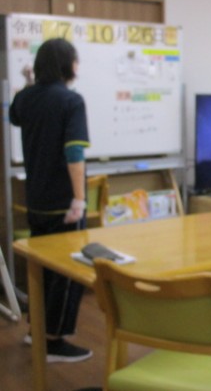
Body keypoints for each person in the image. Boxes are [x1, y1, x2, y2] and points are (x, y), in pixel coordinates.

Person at [10, 38, 92, 363]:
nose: (78, 66)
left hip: (37, 201)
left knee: (42, 270)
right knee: (66, 272)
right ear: (67, 65)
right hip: (64, 203)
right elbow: (74, 152)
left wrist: (28, 84)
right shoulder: (71, 100)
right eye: (76, 60)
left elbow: (15, 115)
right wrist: (80, 199)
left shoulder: (26, 97)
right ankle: (54, 342)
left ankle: (37, 331)